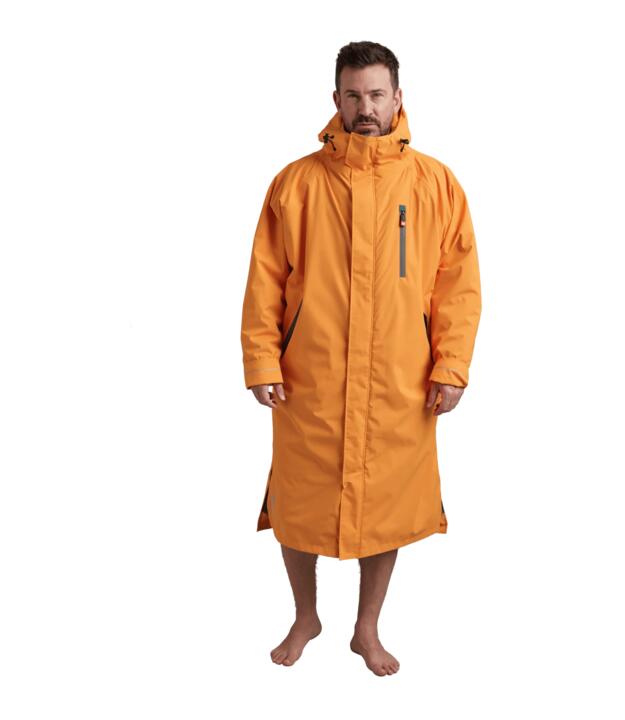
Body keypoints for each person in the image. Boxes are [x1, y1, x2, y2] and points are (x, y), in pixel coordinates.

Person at [240, 41, 482, 676]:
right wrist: (262, 361)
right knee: (298, 502)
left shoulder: (435, 184)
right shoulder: (295, 184)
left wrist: (451, 366)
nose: (365, 108)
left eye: (376, 94)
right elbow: (265, 280)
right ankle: (306, 617)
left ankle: (366, 628)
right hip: (310, 379)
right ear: (336, 100)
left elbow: (457, 285)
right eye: (353, 95)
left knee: (387, 505)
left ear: (398, 98)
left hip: (400, 380)